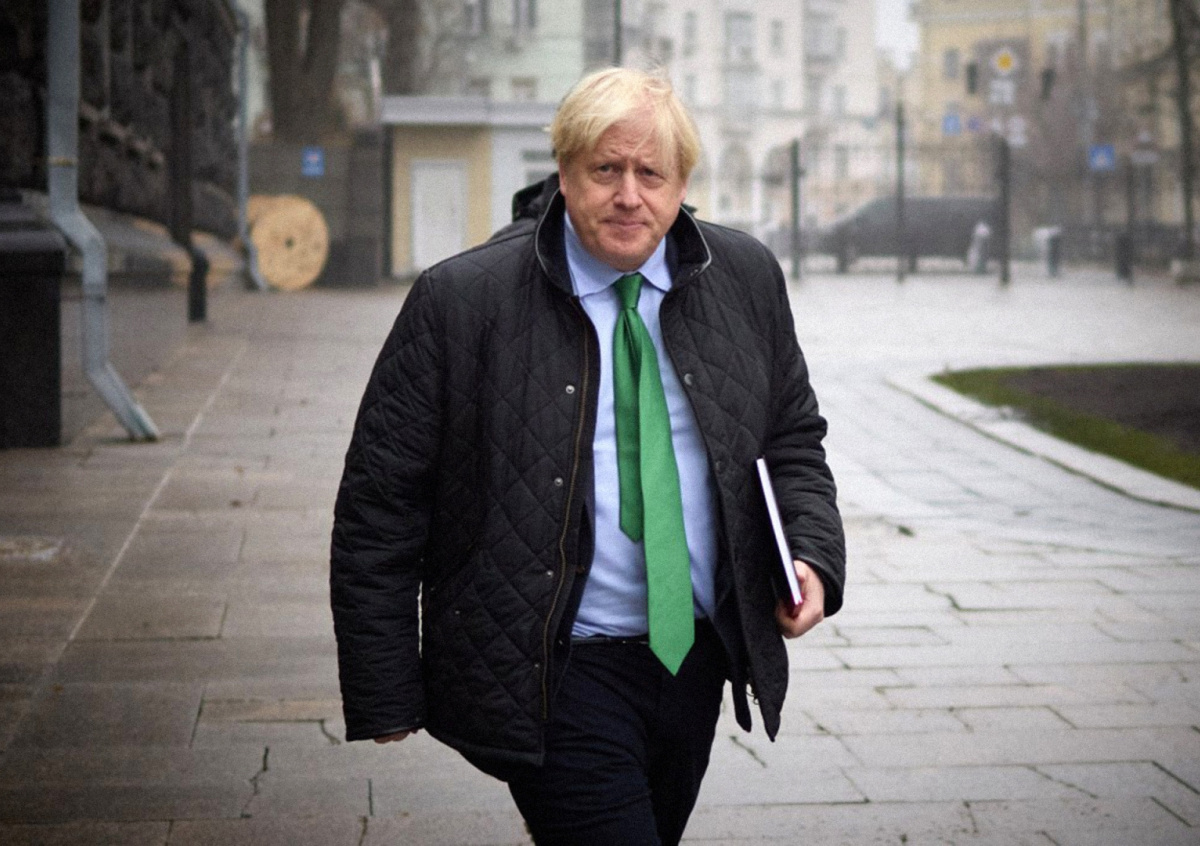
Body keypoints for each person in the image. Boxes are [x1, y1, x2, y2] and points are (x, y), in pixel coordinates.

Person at [330, 66, 845, 845]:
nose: (628, 195)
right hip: (553, 669)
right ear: (564, 173)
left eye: (650, 174)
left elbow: (793, 439)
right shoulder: (462, 300)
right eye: (606, 170)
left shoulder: (743, 279)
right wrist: (384, 682)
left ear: (682, 183)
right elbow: (381, 503)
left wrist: (812, 556)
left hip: (694, 660)